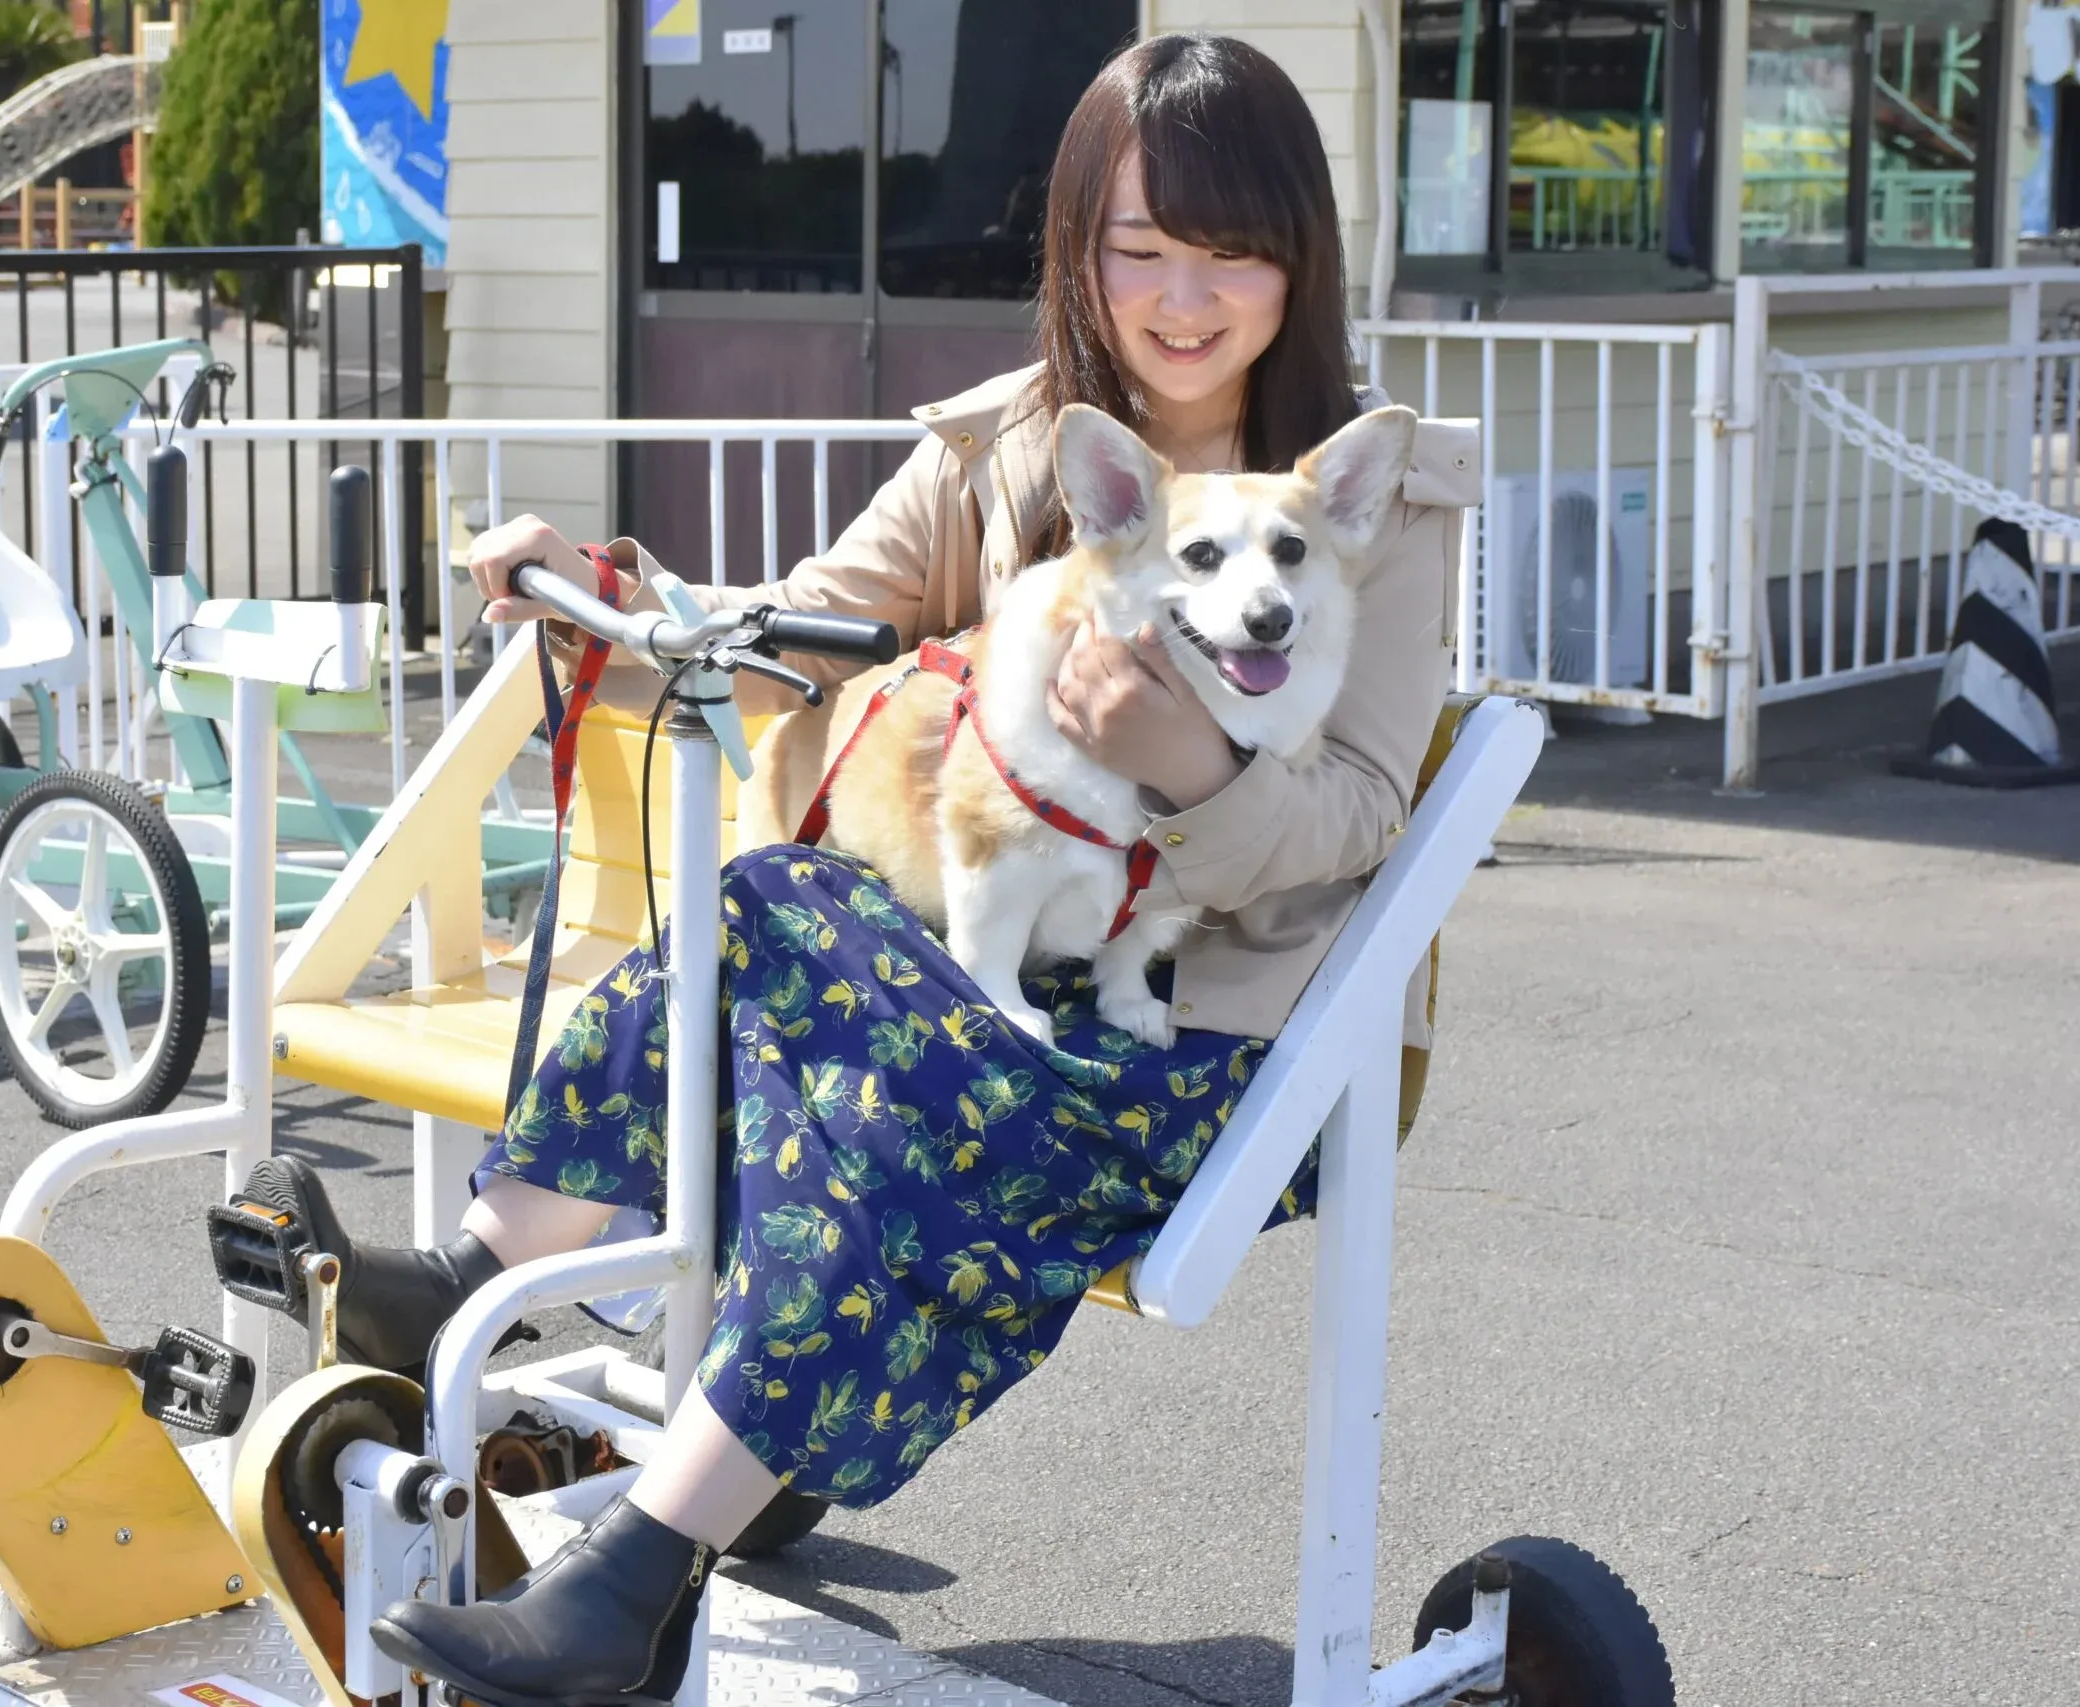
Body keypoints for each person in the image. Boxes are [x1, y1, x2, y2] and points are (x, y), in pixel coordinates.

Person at [227, 32, 1477, 1707]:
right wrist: (603, 583)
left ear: (1296, 259)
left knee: (917, 1106)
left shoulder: (1370, 502)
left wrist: (1182, 759)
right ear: (1078, 256)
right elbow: (782, 632)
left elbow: (1357, 820)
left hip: (1215, 1048)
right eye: (1141, 248)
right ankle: (472, 1287)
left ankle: (631, 1578)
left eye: (1231, 249)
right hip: (990, 989)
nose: (1186, 297)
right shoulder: (1018, 452)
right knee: (767, 912)